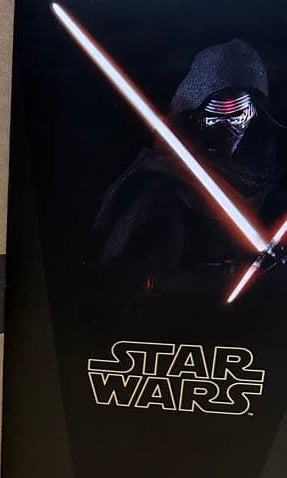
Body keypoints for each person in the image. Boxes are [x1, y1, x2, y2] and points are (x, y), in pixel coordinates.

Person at [94, 39, 286, 303]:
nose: (229, 129)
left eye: (239, 115)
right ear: (195, 115)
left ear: (255, 114)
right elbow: (137, 283)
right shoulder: (162, 187)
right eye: (216, 116)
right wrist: (238, 275)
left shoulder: (268, 164)